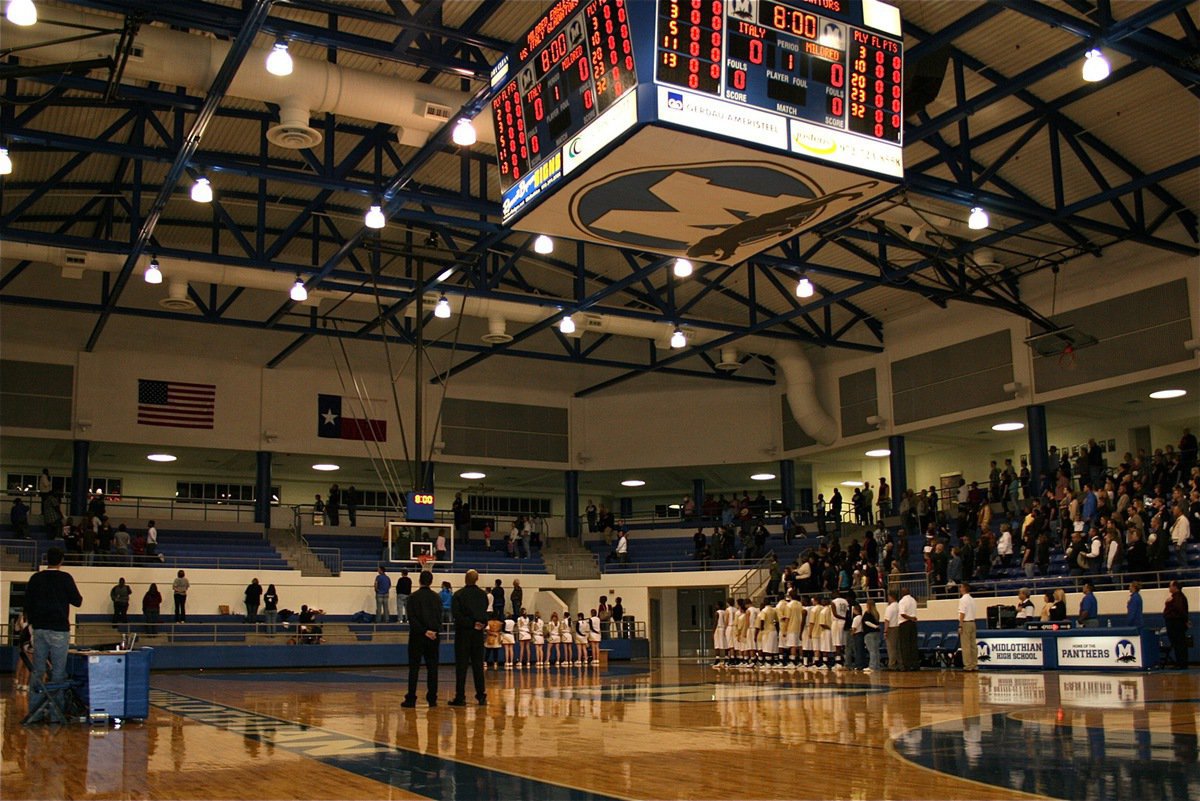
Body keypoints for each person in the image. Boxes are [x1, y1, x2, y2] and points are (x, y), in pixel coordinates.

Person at [24, 546, 83, 717]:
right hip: (59, 629)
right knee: (58, 671)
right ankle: (56, 713)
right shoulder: (65, 578)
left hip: (40, 629)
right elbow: (77, 601)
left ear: (46, 560)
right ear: (61, 561)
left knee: (38, 670)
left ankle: (35, 710)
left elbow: (27, 603)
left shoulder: (36, 578)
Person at [401, 570, 442, 708]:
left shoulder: (412, 597)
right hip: (433, 637)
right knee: (433, 669)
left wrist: (424, 631)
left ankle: (411, 698)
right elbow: (439, 617)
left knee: (414, 669)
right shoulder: (437, 598)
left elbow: (412, 619)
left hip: (417, 637)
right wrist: (433, 631)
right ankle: (432, 698)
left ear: (419, 580)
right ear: (431, 581)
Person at [449, 569, 488, 706]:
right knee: (478, 666)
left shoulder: (459, 595)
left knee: (461, 667)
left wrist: (470, 623)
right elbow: (485, 614)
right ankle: (481, 696)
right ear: (476, 579)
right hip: (478, 634)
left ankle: (460, 696)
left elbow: (457, 616)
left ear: (465, 579)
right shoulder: (483, 595)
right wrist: (481, 624)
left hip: (463, 634)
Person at [1163, 579, 1190, 669]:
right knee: (1178, 644)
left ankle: (1181, 663)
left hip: (1176, 624)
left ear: (1175, 587)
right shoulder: (1177, 597)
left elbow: (1180, 611)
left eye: (1170, 586)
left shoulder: (1177, 598)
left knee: (1179, 644)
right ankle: (1181, 663)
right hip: (1176, 623)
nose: (1169, 588)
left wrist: (1168, 603)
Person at [958, 583, 978, 672]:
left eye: (961, 587)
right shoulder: (972, 599)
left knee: (966, 646)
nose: (960, 589)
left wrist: (960, 625)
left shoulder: (963, 600)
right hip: (973, 623)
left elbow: (962, 613)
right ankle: (974, 664)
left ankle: (968, 665)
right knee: (973, 645)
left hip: (966, 623)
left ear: (964, 589)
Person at [898, 588, 919, 671]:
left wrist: (910, 618)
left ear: (902, 593)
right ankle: (915, 664)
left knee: (905, 645)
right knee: (913, 644)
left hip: (905, 624)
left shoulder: (902, 601)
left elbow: (902, 614)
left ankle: (907, 665)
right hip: (913, 624)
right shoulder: (913, 600)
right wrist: (912, 618)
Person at [14, 610, 33, 691]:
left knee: (22, 661)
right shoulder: (31, 621)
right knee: (28, 663)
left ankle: (18, 681)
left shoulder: (21, 617)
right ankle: (24, 684)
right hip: (28, 643)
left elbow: (16, 628)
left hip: (23, 642)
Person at [862, 600, 881, 673]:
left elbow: (866, 622)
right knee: (876, 650)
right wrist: (876, 627)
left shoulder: (867, 613)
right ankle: (877, 665)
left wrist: (874, 626)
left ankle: (872, 666)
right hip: (876, 633)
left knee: (872, 650)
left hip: (869, 633)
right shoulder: (876, 613)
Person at [883, 591, 900, 671]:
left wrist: (885, 631)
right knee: (898, 648)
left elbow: (887, 620)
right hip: (899, 627)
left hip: (891, 628)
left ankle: (892, 664)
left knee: (891, 648)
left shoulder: (889, 608)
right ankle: (899, 664)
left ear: (891, 597)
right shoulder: (899, 606)